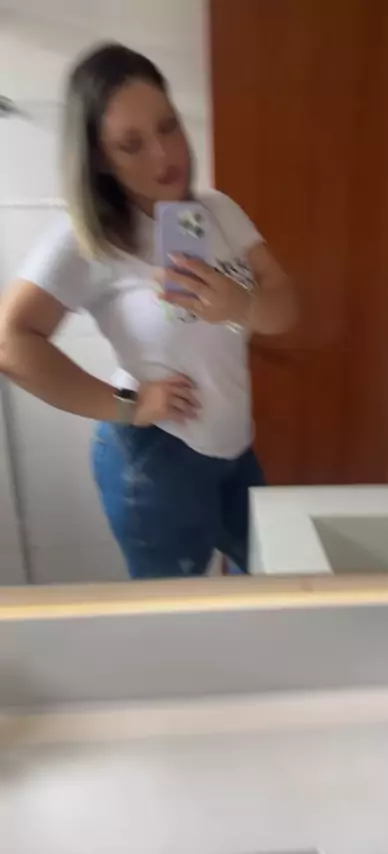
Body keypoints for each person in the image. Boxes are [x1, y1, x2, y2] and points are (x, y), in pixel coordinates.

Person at [0, 43, 296, 579]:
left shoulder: (217, 211)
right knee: (176, 615)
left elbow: (285, 306)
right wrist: (127, 406)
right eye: (131, 144)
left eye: (168, 126)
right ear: (99, 158)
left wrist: (241, 304)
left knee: (271, 578)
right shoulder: (87, 237)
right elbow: (10, 341)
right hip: (159, 459)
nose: (164, 156)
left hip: (235, 448)